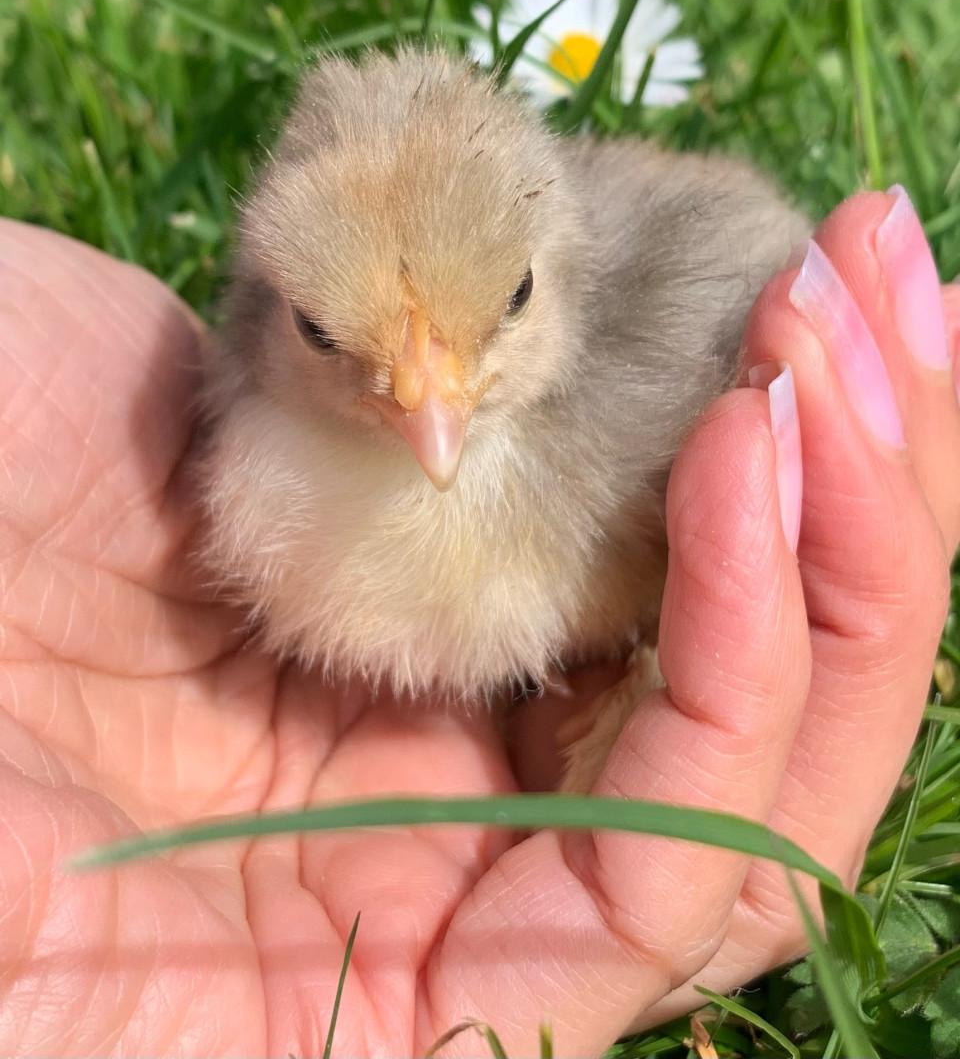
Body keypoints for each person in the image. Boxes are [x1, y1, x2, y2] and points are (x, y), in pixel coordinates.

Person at [1, 190, 957, 1058]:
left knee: (745, 523)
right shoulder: (246, 436)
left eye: (508, 304)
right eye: (326, 333)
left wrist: (654, 655)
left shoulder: (653, 372)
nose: (431, 408)